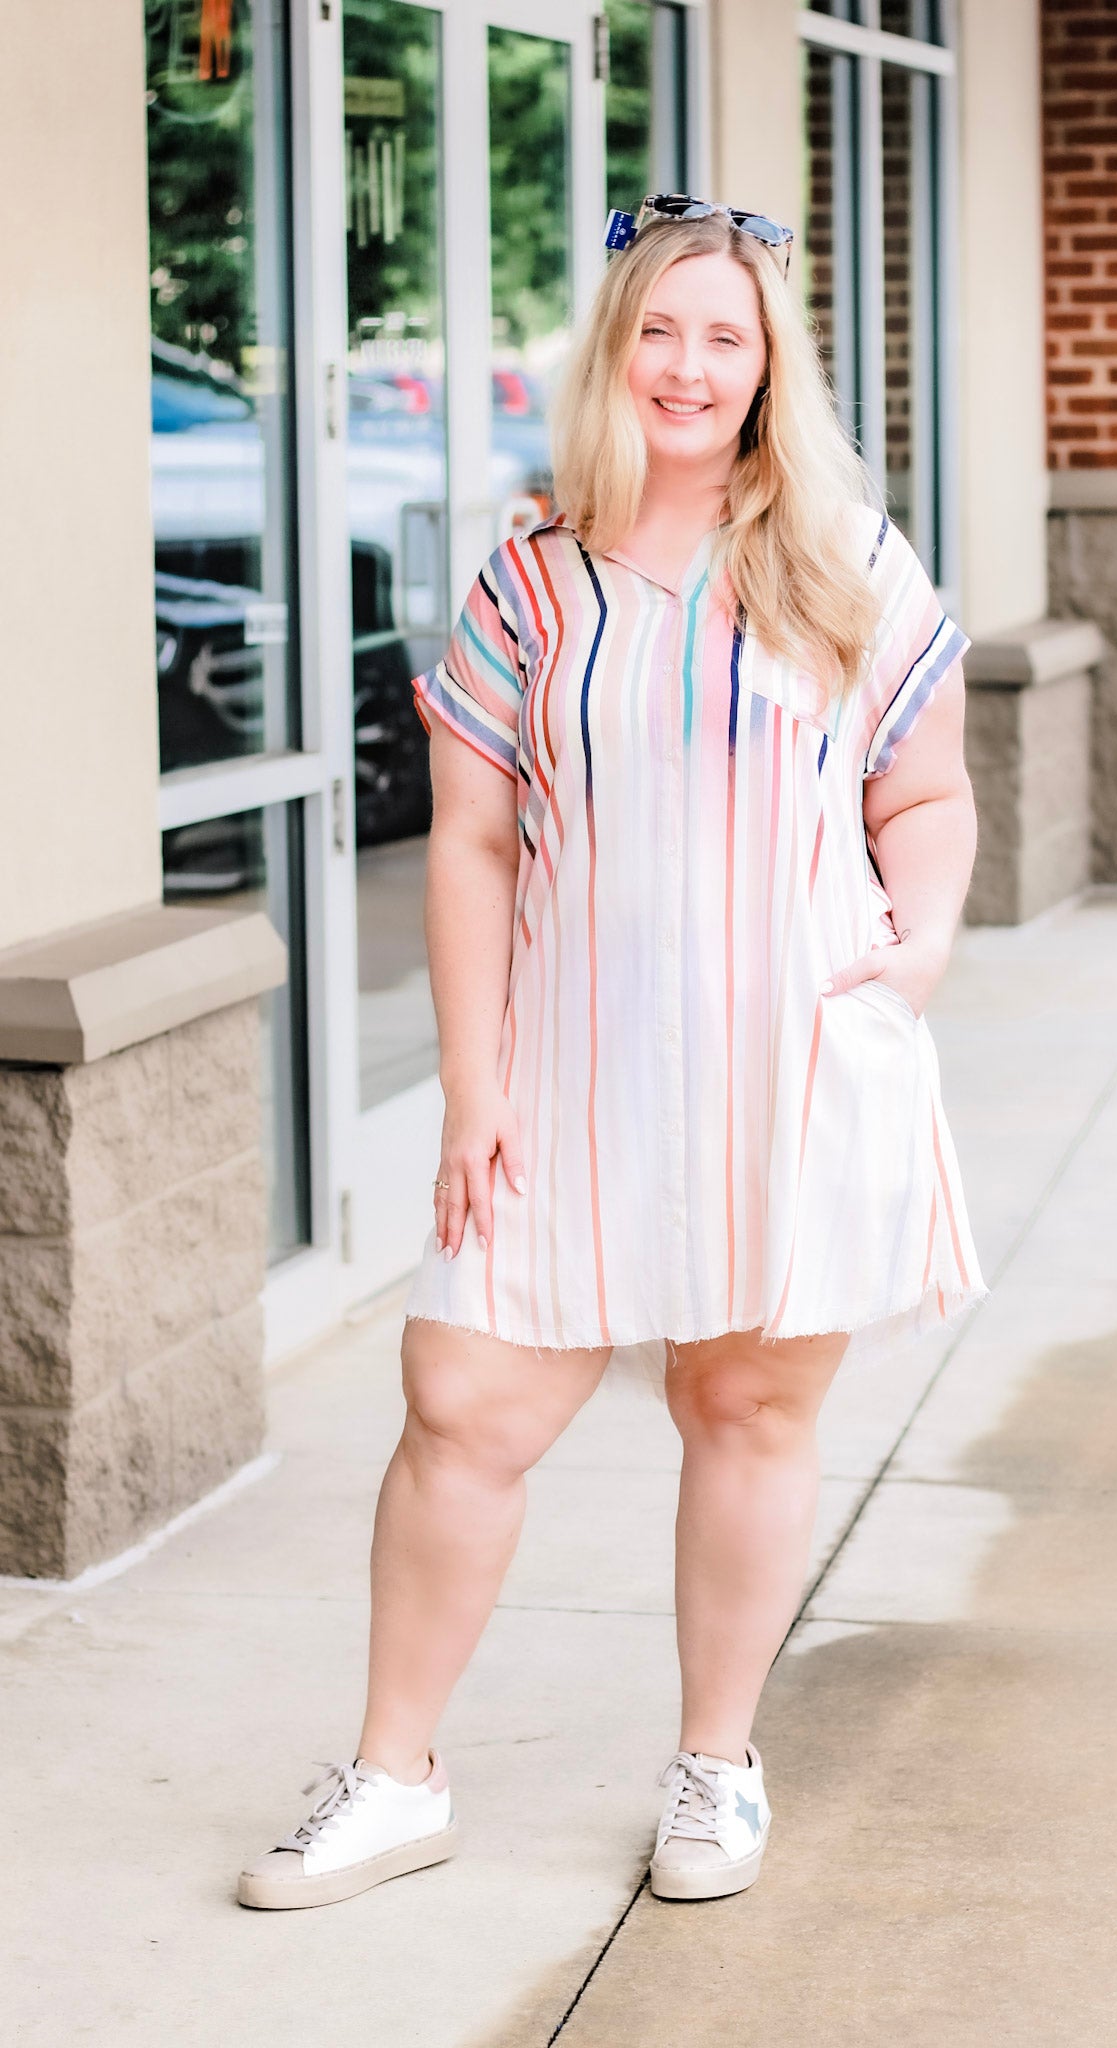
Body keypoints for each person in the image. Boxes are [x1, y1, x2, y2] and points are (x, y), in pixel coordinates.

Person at [237, 192, 987, 1912]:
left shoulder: (849, 562)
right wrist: (474, 1084)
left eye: (726, 336)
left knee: (744, 1403)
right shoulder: (531, 580)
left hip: (787, 1058)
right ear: (613, 351)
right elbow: (473, 844)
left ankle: (717, 1765)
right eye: (659, 329)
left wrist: (924, 942)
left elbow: (929, 793)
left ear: (770, 365)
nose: (689, 365)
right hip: (567, 1065)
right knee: (464, 1402)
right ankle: (395, 1776)